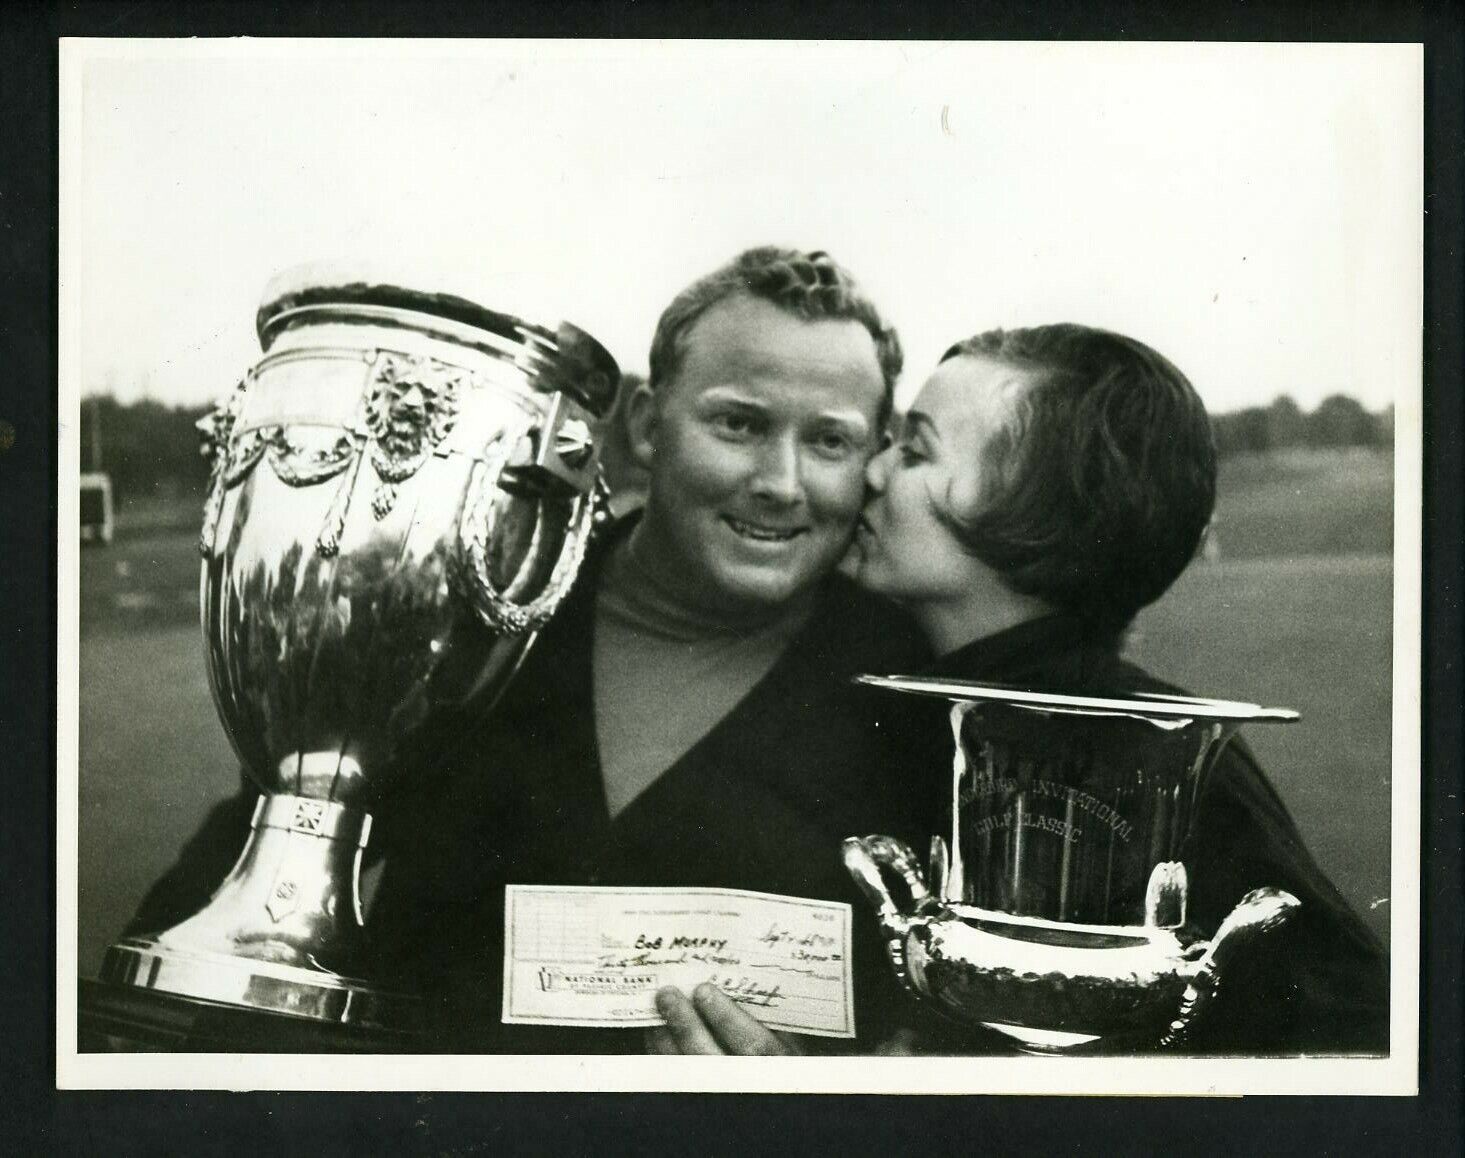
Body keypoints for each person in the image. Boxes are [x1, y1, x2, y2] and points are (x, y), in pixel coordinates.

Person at [128, 246, 941, 1053]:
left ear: (875, 455)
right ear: (648, 425)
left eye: (829, 442)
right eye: (738, 423)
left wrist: (827, 1095)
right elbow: (284, 822)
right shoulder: (478, 597)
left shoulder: (913, 692)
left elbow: (935, 1021)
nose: (780, 481)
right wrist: (141, 1030)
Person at [833, 323, 1390, 1055]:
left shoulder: (1151, 752)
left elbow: (1360, 1031)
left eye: (913, 450)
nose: (870, 473)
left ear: (1029, 515)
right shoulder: (891, 687)